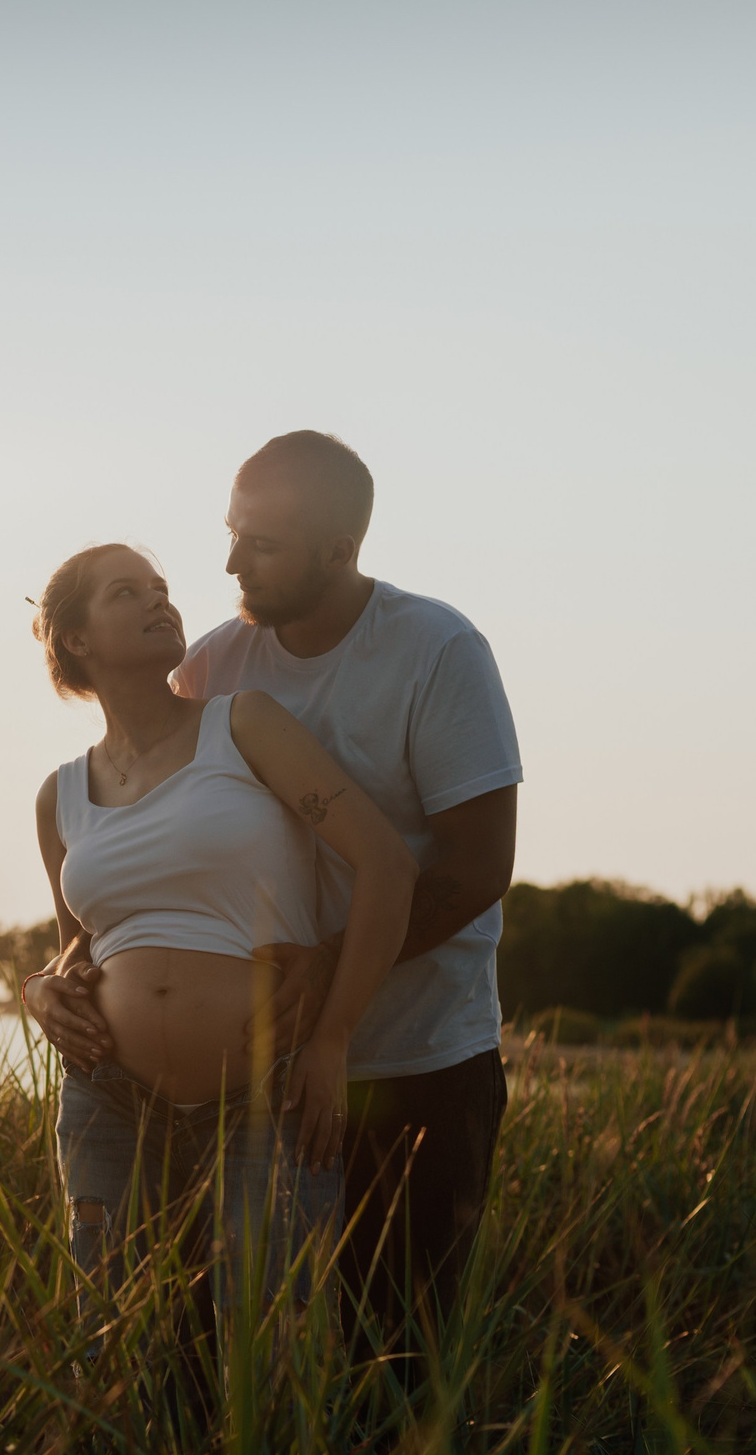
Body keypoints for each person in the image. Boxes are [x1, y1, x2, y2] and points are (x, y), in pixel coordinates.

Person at [27, 433, 522, 1356]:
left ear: (338, 551)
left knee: (396, 1351)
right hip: (262, 1079)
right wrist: (49, 975)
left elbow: (478, 867)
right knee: (200, 1353)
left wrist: (333, 982)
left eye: (261, 544)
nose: (225, 564)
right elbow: (144, 864)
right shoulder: (217, 665)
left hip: (417, 1052)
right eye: (230, 533)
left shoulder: (435, 649)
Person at [26, 540, 417, 1379]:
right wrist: (38, 988)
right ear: (77, 640)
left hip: (264, 1095)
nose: (160, 599)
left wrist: (332, 1038)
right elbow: (80, 943)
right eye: (126, 591)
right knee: (117, 1351)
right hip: (108, 1101)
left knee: (272, 1362)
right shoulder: (59, 794)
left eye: (162, 585)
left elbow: (386, 863)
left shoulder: (243, 725)